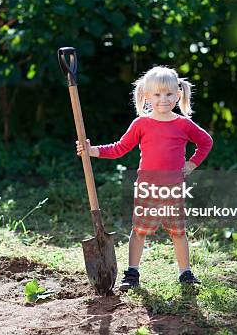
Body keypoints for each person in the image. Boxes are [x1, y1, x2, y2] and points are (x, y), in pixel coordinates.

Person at [76, 66, 213, 291]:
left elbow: (206, 142)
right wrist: (92, 151)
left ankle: (185, 272)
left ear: (178, 94)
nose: (163, 99)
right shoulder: (141, 124)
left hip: (172, 190)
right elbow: (120, 148)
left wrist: (192, 164)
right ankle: (132, 273)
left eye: (169, 94)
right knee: (139, 231)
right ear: (146, 96)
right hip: (147, 188)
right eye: (157, 94)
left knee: (178, 232)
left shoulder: (183, 124)